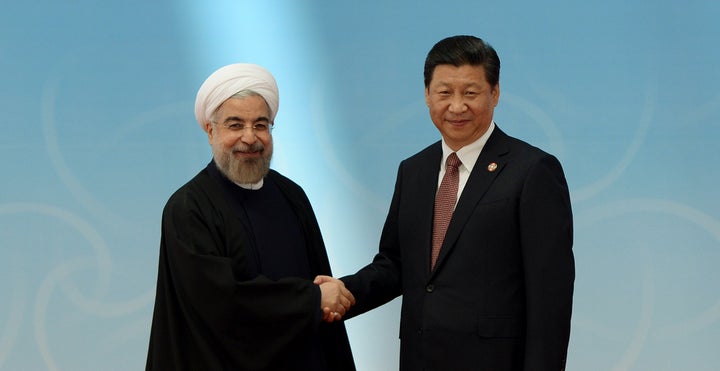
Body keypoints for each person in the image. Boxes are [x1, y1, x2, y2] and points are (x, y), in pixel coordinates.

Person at [317, 35, 574, 370]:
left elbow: (549, 295)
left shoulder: (532, 170)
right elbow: (394, 265)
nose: (456, 106)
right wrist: (342, 291)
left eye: (470, 92)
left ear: (494, 93)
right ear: (426, 95)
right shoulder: (414, 170)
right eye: (444, 93)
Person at [146, 63, 356, 370]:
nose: (249, 138)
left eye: (260, 125)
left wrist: (324, 299)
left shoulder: (291, 196)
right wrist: (311, 300)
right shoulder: (188, 208)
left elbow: (322, 289)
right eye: (235, 125)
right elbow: (220, 303)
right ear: (210, 130)